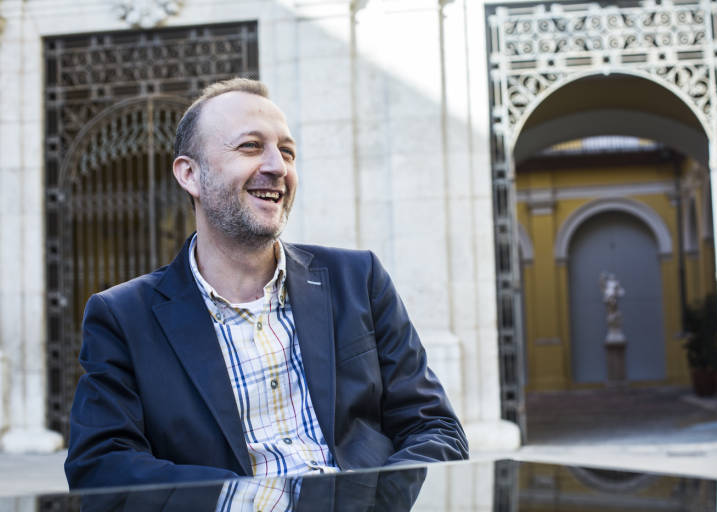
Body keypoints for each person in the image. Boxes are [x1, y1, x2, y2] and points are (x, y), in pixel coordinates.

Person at [65, 78, 468, 489]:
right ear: (190, 175)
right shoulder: (123, 317)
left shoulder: (359, 280)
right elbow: (101, 465)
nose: (278, 167)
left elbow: (435, 429)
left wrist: (369, 501)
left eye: (287, 152)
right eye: (251, 147)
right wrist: (252, 501)